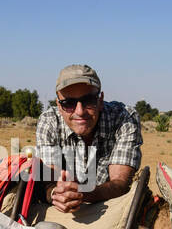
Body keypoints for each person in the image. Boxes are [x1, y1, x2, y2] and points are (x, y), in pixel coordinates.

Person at [34, 64, 142, 213]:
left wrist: (83, 192)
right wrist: (56, 194)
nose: (80, 111)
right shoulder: (49, 121)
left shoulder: (124, 118)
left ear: (100, 100)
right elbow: (50, 180)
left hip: (111, 208)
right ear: (59, 105)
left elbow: (120, 184)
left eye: (89, 100)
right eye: (69, 103)